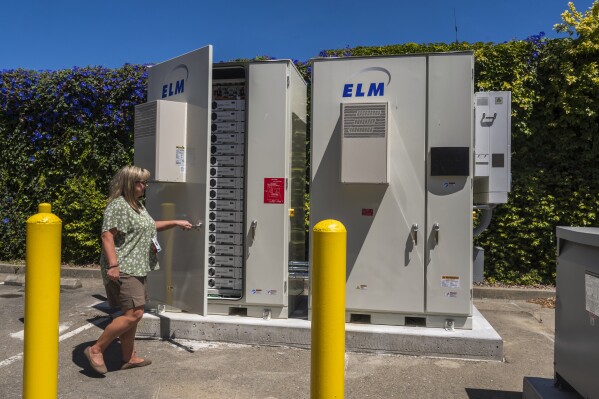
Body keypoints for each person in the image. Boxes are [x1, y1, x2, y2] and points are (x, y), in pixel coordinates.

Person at [84, 165, 193, 374]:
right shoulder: (119, 206)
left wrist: (176, 222)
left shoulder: (137, 206)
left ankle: (128, 357)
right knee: (135, 314)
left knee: (130, 313)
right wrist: (114, 265)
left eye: (145, 182)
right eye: (141, 182)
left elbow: (151, 226)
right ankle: (96, 349)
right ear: (129, 184)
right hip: (124, 266)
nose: (145, 186)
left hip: (137, 266)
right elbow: (107, 236)